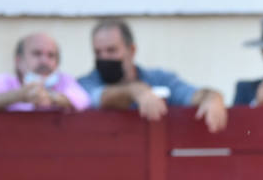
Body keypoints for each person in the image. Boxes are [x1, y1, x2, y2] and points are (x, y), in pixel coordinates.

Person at [78, 18, 228, 134]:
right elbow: (100, 98)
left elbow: (190, 94)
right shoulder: (84, 84)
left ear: (132, 50)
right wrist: (136, 91)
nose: (104, 58)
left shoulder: (159, 80)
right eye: (98, 52)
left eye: (111, 50)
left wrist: (212, 97)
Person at [0, 32, 89, 113]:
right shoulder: (3, 81)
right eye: (37, 53)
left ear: (57, 62)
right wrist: (19, 96)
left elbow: (83, 100)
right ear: (19, 61)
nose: (44, 60)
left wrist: (51, 97)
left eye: (51, 55)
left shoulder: (64, 81)